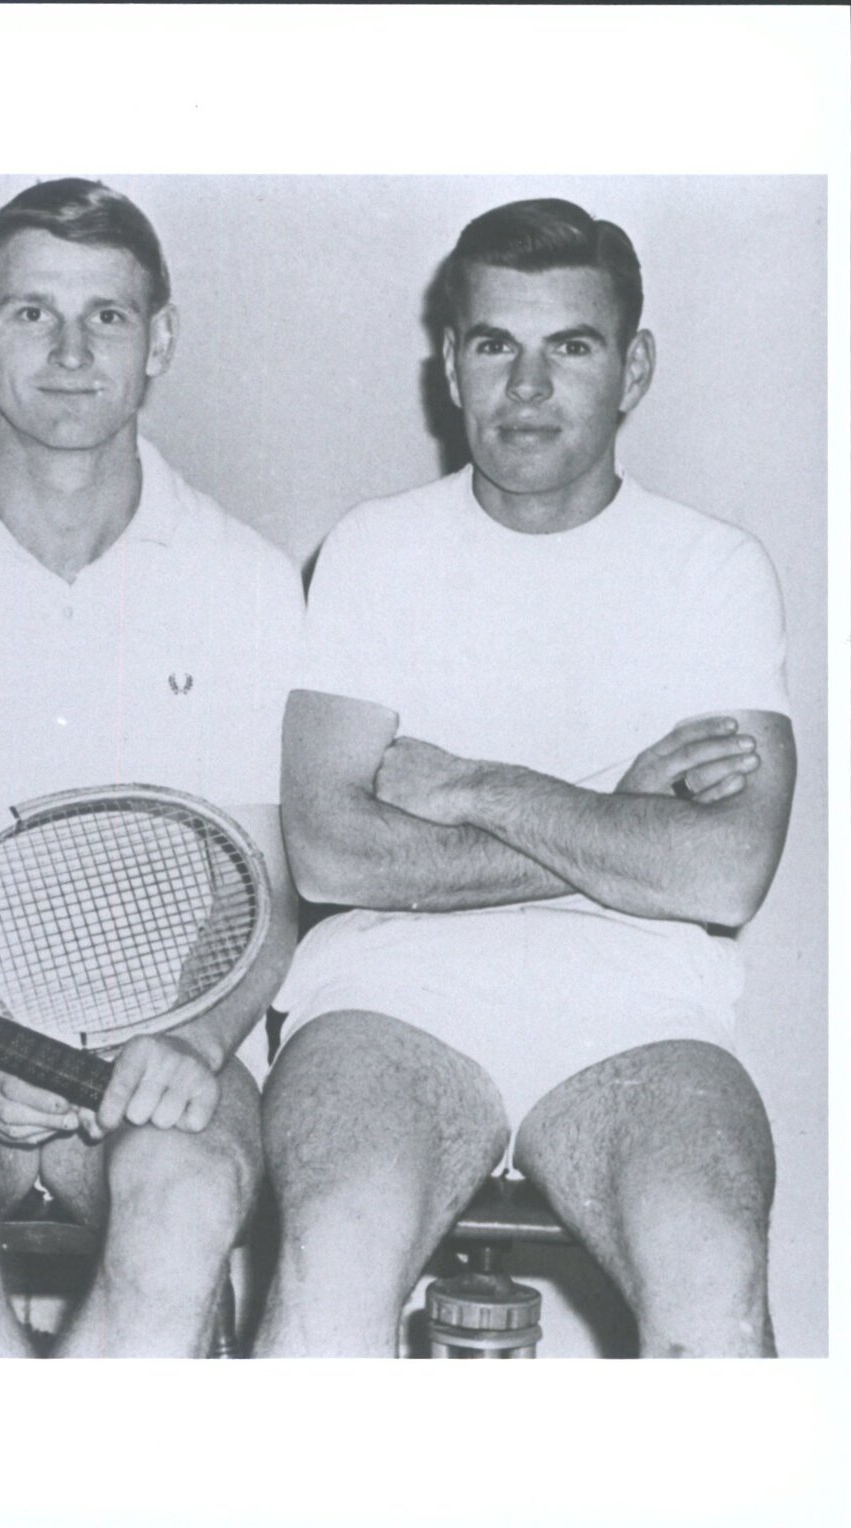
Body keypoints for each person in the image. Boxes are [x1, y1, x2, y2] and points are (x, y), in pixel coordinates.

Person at [258, 199, 795, 1358]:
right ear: (451, 364)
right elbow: (331, 853)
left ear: (633, 366)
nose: (529, 386)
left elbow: (723, 874)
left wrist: (474, 785)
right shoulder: (375, 548)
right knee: (330, 1258)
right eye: (496, 343)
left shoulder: (712, 570)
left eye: (572, 345)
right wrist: (618, 817)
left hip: (641, 1009)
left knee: (715, 1281)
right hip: (387, 994)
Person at [0, 179, 302, 1356]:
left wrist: (191, 1040)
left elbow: (265, 899)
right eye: (34, 315)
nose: (72, 352)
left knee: (181, 1211)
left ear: (158, 340)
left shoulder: (245, 580)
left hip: (171, 1031)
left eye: (108, 318)